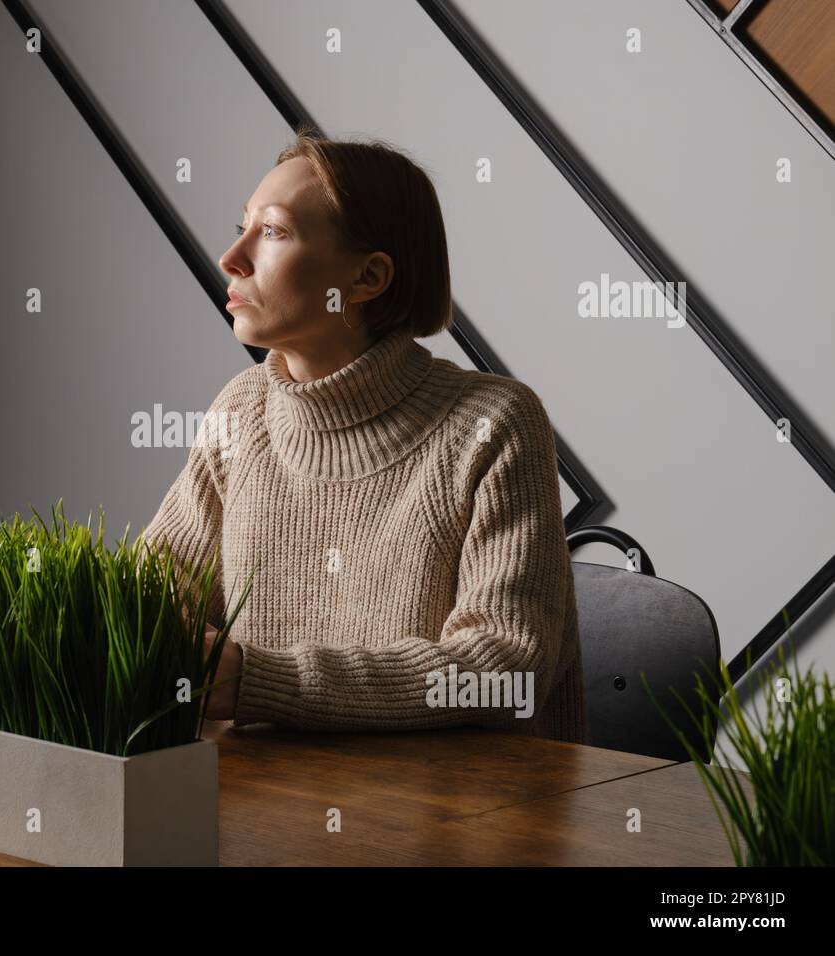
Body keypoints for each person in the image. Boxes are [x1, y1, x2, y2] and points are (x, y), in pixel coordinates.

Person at [141, 128, 585, 743]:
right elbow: (148, 598)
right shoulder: (240, 412)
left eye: (272, 232)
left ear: (368, 277)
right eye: (241, 226)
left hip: (458, 819)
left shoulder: (493, 423)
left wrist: (256, 681)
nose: (231, 257)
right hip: (268, 802)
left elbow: (503, 665)